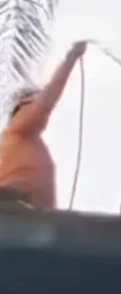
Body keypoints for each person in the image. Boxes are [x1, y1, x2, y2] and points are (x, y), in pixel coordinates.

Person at [0, 41, 87, 210]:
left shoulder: (18, 141)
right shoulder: (19, 128)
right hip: (20, 207)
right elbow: (48, 99)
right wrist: (70, 59)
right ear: (23, 106)